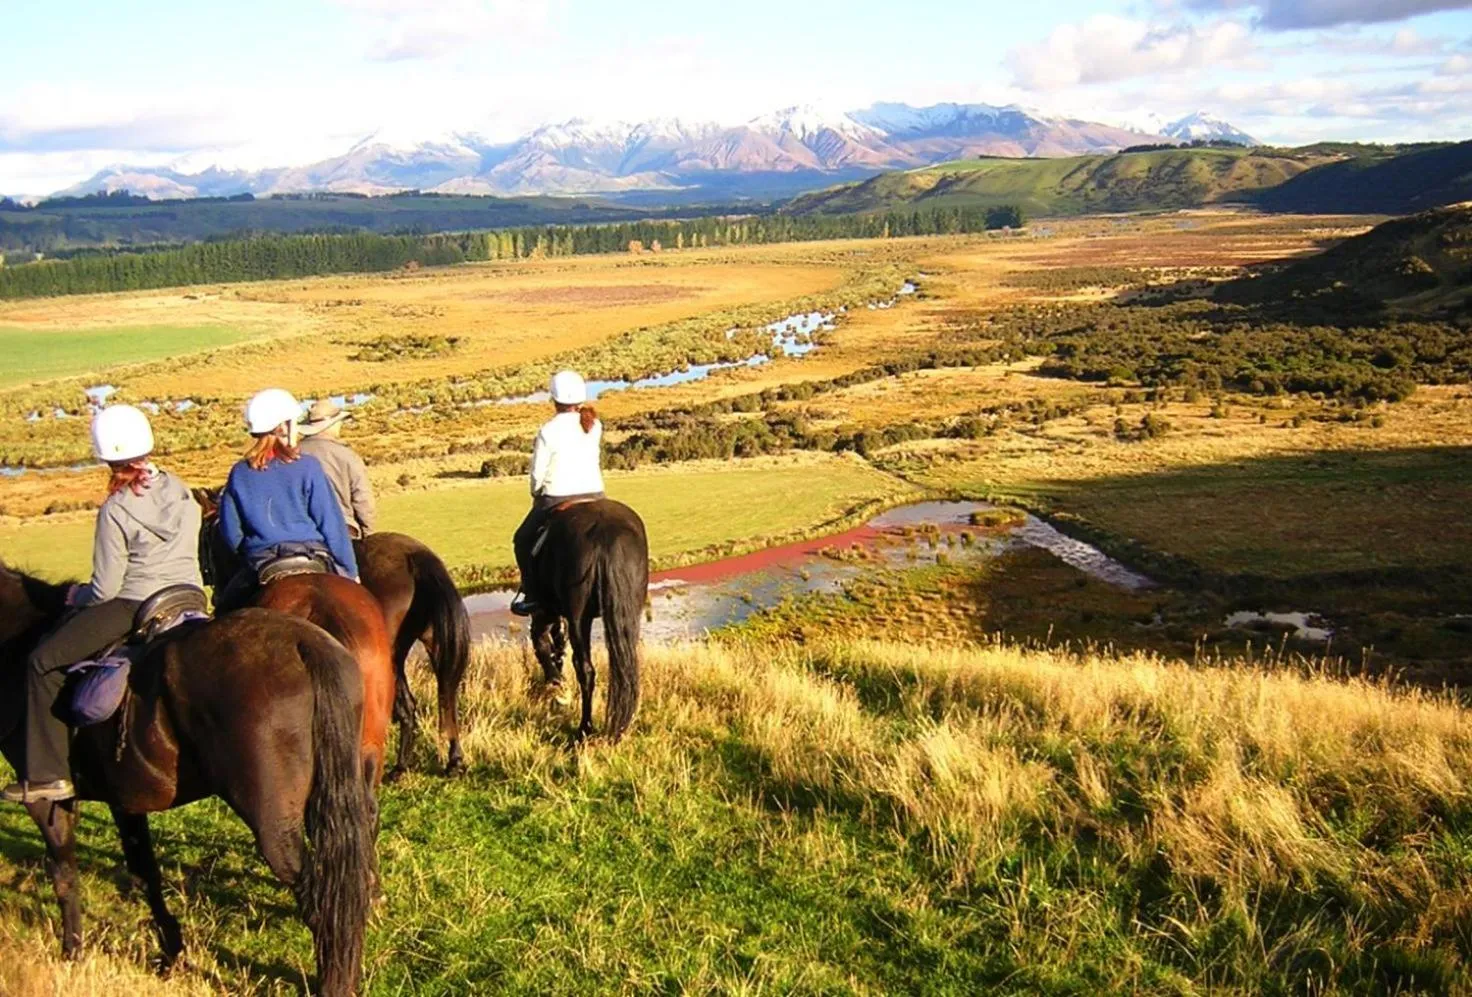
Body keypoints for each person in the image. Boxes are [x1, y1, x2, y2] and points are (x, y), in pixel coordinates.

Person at [4, 405, 202, 804]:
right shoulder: (179, 487)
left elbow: (107, 588)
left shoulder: (116, 508)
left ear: (105, 455)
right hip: (189, 594)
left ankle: (48, 775)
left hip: (134, 601)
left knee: (41, 661)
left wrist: (79, 597)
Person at [214, 388, 359, 613]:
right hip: (314, 556)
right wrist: (350, 571)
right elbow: (332, 525)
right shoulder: (308, 466)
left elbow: (231, 534)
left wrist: (249, 552)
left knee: (223, 616)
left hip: (261, 564)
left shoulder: (239, 473)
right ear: (283, 426)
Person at [510, 371, 605, 616]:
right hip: (595, 495)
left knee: (522, 539)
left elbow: (538, 474)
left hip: (557, 497)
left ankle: (532, 595)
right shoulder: (594, 425)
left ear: (554, 398)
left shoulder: (548, 430)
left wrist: (536, 492)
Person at [297, 398, 376, 540]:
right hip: (342, 529)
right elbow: (363, 499)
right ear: (331, 425)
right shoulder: (347, 455)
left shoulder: (293, 454)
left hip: (302, 530)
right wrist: (368, 534)